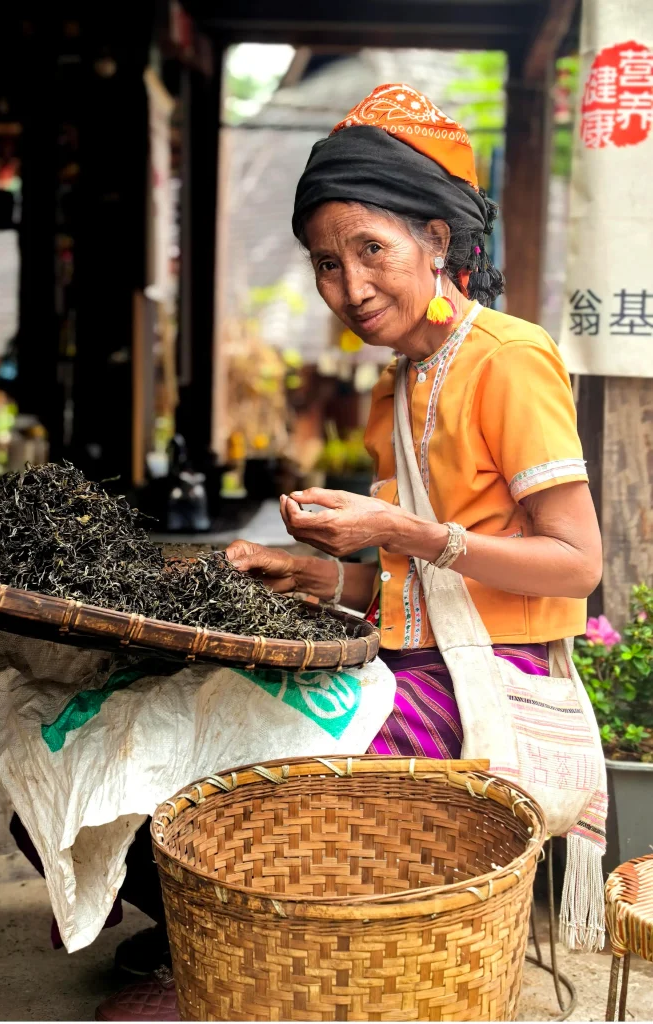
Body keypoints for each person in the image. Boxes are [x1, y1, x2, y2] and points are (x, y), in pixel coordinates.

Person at [90, 82, 602, 1020]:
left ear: (438, 241)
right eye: (327, 263)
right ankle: (220, 929)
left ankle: (243, 945)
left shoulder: (509, 358)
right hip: (409, 659)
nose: (350, 286)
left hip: (487, 679)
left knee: (250, 768)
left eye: (373, 250)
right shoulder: (393, 388)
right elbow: (415, 584)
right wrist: (330, 573)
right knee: (145, 714)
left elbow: (576, 564)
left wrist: (398, 532)